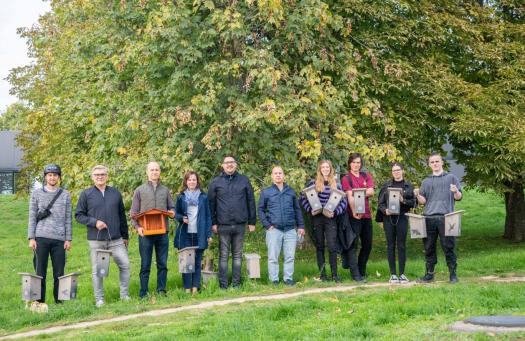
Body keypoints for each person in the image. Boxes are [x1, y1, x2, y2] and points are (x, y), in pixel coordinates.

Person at [75, 165, 130, 307]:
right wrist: (94, 222)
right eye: (97, 174)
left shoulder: (115, 193)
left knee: (125, 265)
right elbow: (79, 215)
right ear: (92, 177)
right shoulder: (86, 194)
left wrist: (125, 236)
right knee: (99, 271)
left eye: (103, 174)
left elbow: (122, 216)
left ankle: (124, 296)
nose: (100, 176)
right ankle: (99, 299)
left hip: (116, 239)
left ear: (107, 176)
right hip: (96, 240)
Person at [208, 155, 256, 289]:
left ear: (236, 165)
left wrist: (252, 222)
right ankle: (223, 285)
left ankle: (236, 284)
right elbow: (211, 204)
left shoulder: (244, 180)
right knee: (223, 256)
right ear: (222, 165)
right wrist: (213, 223)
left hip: (240, 225)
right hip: (222, 225)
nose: (229, 165)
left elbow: (251, 201)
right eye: (227, 163)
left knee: (237, 256)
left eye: (232, 162)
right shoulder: (216, 182)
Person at [27, 164, 72, 304]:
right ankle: (39, 303)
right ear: (45, 177)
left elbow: (68, 219)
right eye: (49, 175)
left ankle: (60, 302)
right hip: (40, 238)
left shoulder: (65, 195)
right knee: (40, 273)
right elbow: (32, 216)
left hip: (59, 240)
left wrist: (68, 239)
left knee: (60, 273)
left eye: (55, 175)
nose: (52, 177)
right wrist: (31, 238)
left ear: (59, 177)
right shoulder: (36, 193)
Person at [130, 162, 175, 298]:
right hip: (145, 234)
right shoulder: (139, 190)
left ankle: (161, 290)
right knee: (145, 264)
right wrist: (137, 228)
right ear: (147, 172)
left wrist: (172, 212)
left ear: (160, 172)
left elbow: (172, 208)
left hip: (162, 233)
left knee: (162, 263)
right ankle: (143, 293)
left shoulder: (165, 190)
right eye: (152, 170)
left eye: (156, 170)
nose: (154, 172)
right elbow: (133, 213)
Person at [415, 153, 462, 283]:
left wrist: (455, 191)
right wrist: (418, 195)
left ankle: (453, 275)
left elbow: (459, 197)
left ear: (442, 162)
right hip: (428, 218)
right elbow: (423, 202)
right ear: (429, 165)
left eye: (437, 161)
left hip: (448, 218)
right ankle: (429, 275)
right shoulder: (426, 181)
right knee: (429, 247)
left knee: (449, 247)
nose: (435, 164)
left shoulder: (451, 178)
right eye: (432, 162)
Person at [300, 160, 347, 282]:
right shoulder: (313, 183)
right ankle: (323, 275)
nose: (325, 169)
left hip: (330, 218)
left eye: (327, 167)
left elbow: (344, 202)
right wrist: (310, 209)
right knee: (320, 246)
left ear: (331, 169)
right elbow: (303, 199)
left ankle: (335, 275)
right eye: (323, 167)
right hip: (317, 218)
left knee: (332, 246)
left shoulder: (337, 184)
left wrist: (335, 212)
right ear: (320, 169)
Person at [258, 166, 305, 286]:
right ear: (272, 176)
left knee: (290, 256)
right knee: (273, 257)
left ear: (284, 176)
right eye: (276, 173)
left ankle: (287, 279)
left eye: (280, 173)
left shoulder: (291, 192)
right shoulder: (266, 192)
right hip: (274, 229)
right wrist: (267, 225)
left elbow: (297, 209)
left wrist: (301, 226)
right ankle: (274, 280)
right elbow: (261, 210)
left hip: (290, 229)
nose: (278, 175)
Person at [376, 162, 416, 283]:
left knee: (402, 245)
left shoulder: (408, 186)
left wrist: (403, 200)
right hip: (389, 219)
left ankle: (402, 274)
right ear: (391, 172)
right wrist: (385, 210)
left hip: (402, 218)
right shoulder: (386, 185)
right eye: (394, 171)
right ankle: (393, 274)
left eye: (398, 170)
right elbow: (380, 203)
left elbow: (414, 203)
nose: (396, 172)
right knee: (390, 245)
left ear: (402, 171)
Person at [174, 171, 213, 294]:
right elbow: (176, 214)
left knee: (197, 262)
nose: (192, 182)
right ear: (186, 182)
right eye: (189, 180)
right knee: (186, 263)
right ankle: (187, 289)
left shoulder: (203, 197)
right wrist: (182, 218)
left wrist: (209, 234)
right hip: (185, 234)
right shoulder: (181, 197)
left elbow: (208, 216)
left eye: (194, 180)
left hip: (199, 234)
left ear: (197, 181)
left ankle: (195, 288)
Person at [341, 153, 375, 280]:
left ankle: (361, 270)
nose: (356, 165)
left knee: (367, 245)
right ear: (350, 163)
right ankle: (355, 274)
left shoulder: (366, 175)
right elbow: (350, 196)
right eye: (354, 162)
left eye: (358, 162)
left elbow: (372, 191)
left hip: (367, 215)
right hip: (353, 216)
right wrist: (355, 211)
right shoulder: (346, 178)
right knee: (353, 245)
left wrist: (359, 192)